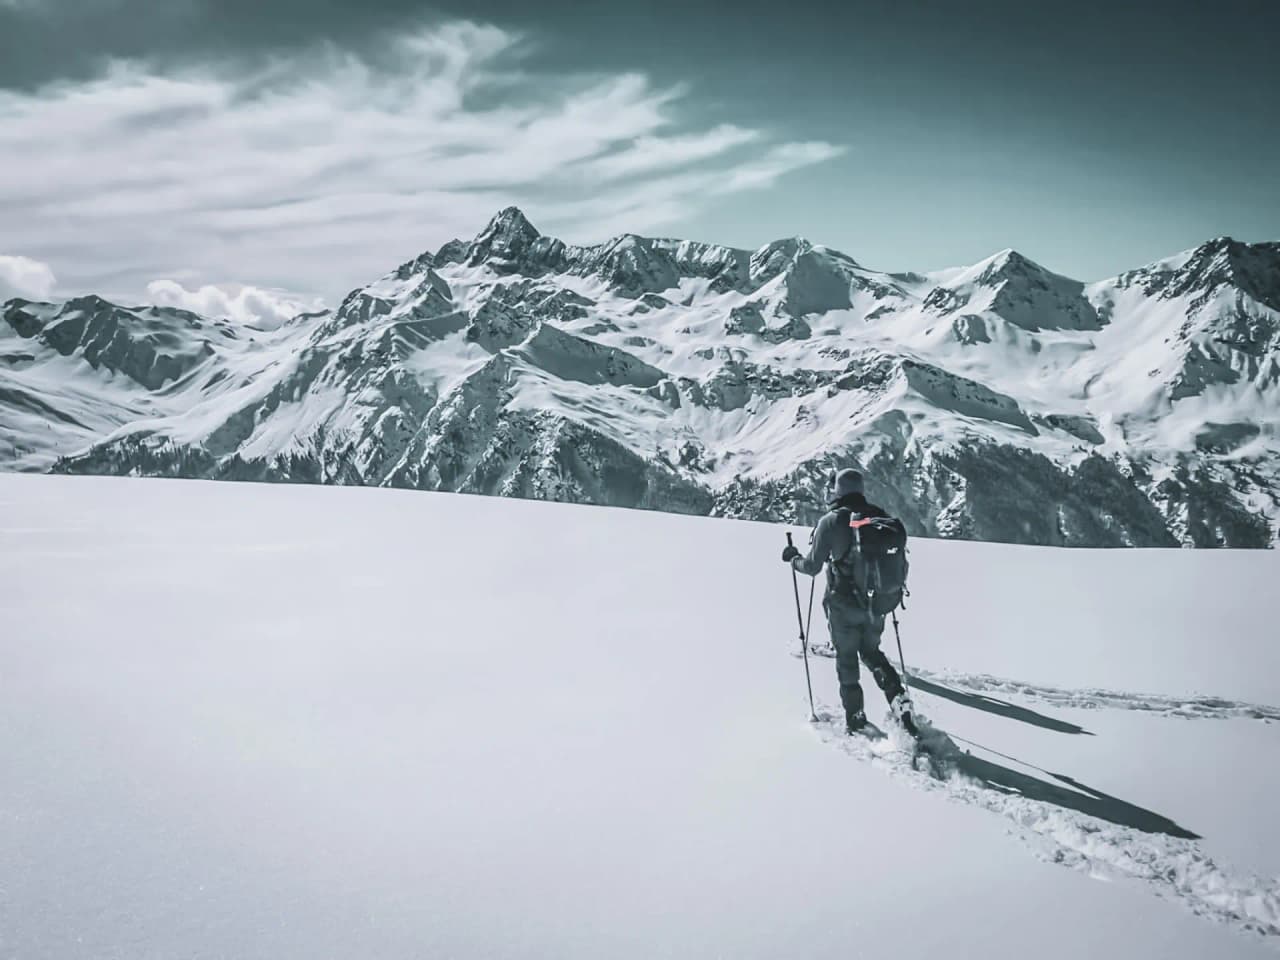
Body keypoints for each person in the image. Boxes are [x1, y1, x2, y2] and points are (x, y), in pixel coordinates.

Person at [781, 468, 918, 736]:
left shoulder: (831, 521)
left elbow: (812, 566)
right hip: (876, 604)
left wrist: (793, 558)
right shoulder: (880, 516)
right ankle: (898, 698)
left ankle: (856, 717)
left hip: (843, 605)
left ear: (837, 491)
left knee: (846, 659)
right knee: (872, 652)